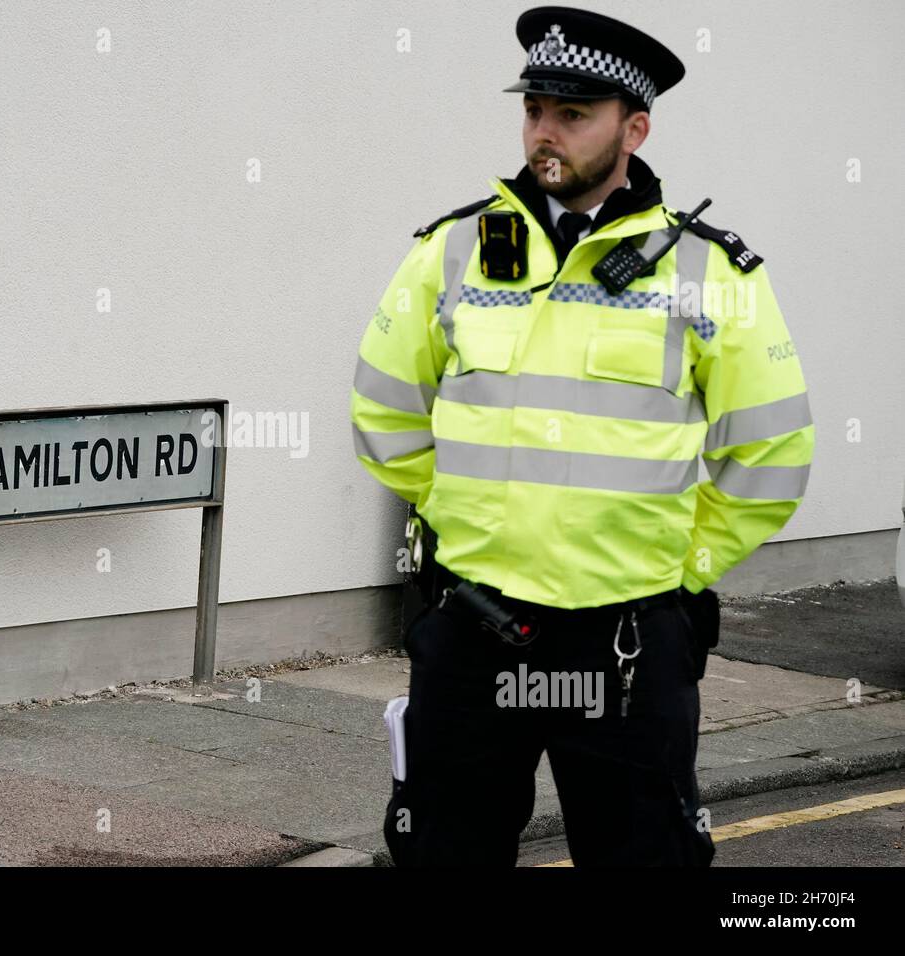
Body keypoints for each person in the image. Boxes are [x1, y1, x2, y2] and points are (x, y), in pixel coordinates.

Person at [351, 5, 814, 866]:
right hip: (474, 622)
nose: (544, 134)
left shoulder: (708, 273)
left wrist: (679, 567)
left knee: (644, 857)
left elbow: (771, 450)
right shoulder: (453, 251)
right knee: (442, 852)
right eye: (534, 110)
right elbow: (384, 412)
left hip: (627, 642)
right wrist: (468, 518)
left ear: (633, 127)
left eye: (573, 114)